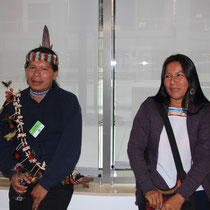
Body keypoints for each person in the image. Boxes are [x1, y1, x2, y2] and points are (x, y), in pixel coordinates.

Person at [0, 27, 82, 210]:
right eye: (32, 68)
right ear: (26, 71)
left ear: (55, 73)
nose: (36, 74)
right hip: (21, 182)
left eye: (44, 69)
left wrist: (45, 184)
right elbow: (3, 144)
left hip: (56, 183)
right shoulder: (13, 104)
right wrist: (12, 173)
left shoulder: (67, 102)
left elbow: (70, 150)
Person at [127, 54, 210, 210]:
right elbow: (134, 149)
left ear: (191, 79)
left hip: (196, 194)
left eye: (179, 75)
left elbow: (205, 159)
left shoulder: (205, 113)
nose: (173, 81)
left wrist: (180, 197)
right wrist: (148, 188)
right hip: (156, 195)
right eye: (168, 76)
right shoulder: (150, 107)